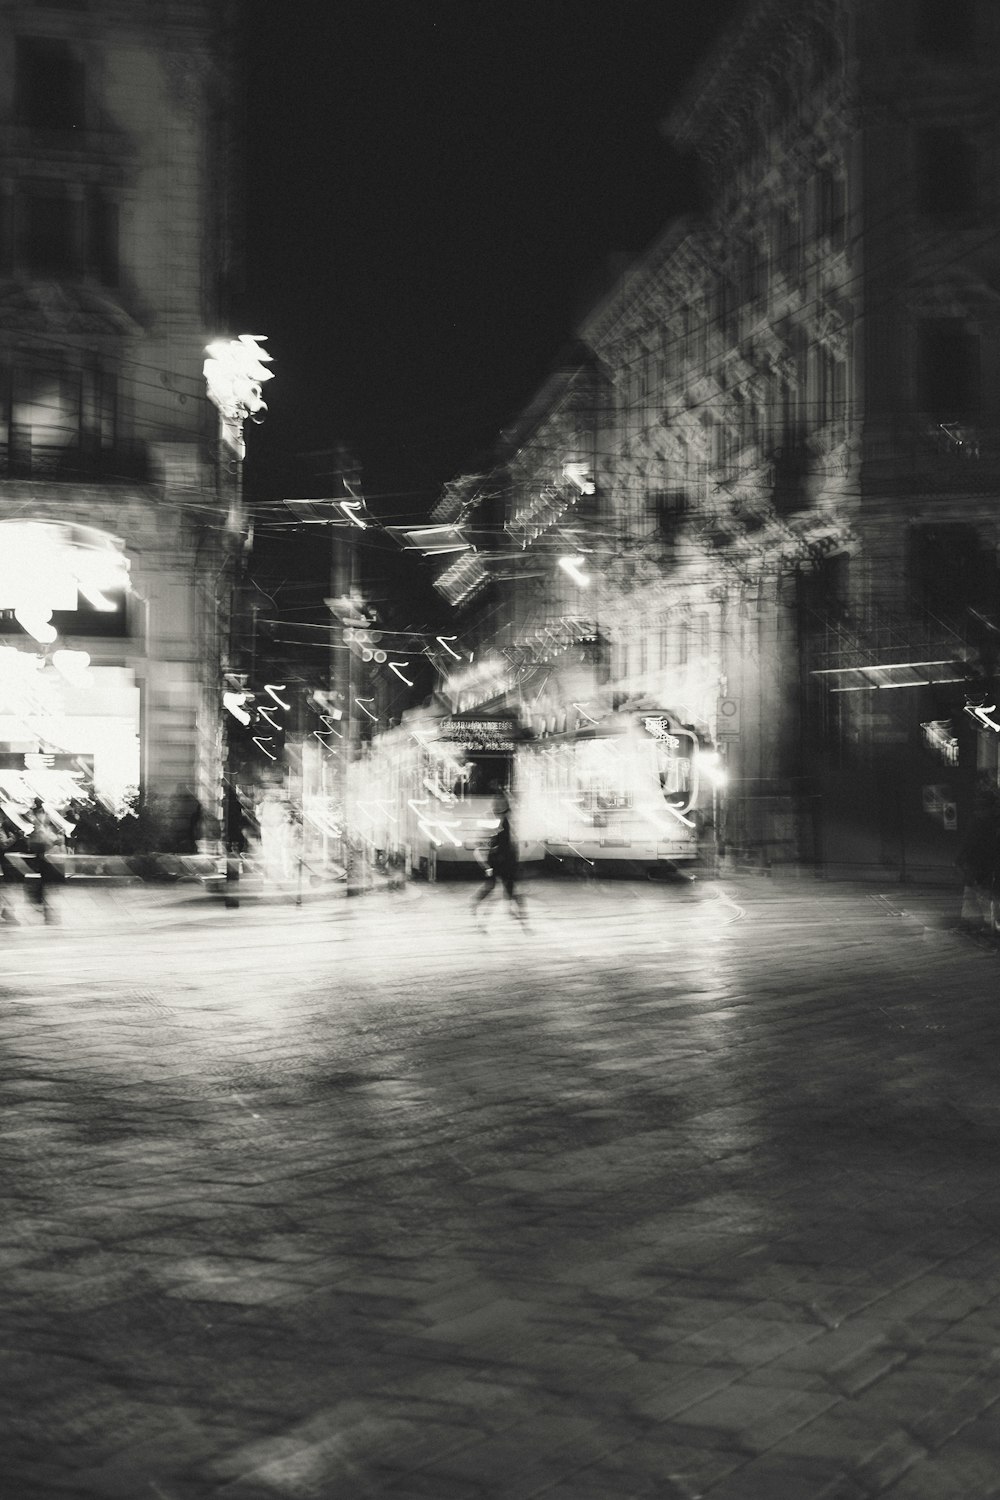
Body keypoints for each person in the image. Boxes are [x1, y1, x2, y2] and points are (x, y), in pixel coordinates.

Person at [472, 789, 528, 925]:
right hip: (502, 861)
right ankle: (521, 918)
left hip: (501, 860)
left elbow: (498, 841)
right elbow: (501, 841)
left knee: (497, 887)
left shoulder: (502, 822)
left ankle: (479, 909)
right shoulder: (504, 822)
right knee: (506, 889)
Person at [24, 798, 61, 924]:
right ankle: (43, 905)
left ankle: (41, 904)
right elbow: (43, 836)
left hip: (41, 853)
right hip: (42, 853)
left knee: (43, 881)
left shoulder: (37, 818)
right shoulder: (39, 818)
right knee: (44, 881)